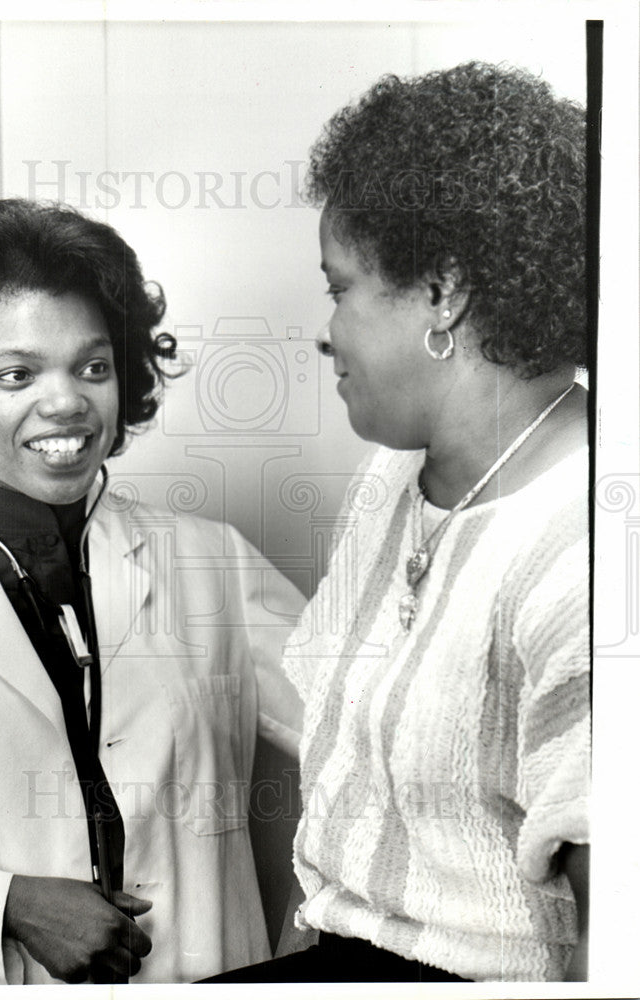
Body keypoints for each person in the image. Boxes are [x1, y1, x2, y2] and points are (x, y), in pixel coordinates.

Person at [203, 61, 590, 984]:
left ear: (443, 290)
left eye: (339, 287)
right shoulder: (392, 481)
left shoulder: (587, 543)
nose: (326, 329)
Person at [0, 198, 304, 985]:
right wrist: (4, 905)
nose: (65, 402)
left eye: (92, 367)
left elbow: (378, 735)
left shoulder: (212, 562)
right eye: (15, 374)